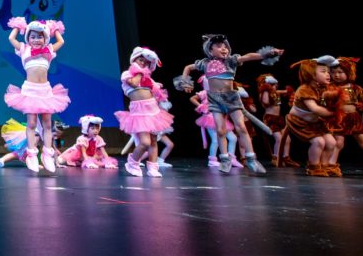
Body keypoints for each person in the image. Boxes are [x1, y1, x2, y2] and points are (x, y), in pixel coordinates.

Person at [175, 34, 283, 175]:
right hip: (214, 99)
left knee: (241, 127)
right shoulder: (205, 63)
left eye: (225, 46)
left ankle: (251, 159)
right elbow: (188, 68)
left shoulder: (231, 61)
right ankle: (225, 159)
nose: (224, 48)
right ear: (210, 50)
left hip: (231, 98)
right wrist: (185, 83)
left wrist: (268, 53)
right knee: (220, 130)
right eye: (219, 46)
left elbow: (248, 56)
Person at [4, 17, 69, 173]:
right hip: (30, 90)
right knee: (32, 123)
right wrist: (18, 26)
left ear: (45, 38)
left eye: (40, 36)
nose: (36, 40)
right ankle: (32, 154)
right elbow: (11, 38)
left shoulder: (49, 50)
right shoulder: (24, 49)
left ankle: (47, 154)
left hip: (45, 91)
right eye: (33, 36)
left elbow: (61, 41)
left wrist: (55, 29)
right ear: (28, 38)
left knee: (47, 124)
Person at [116, 46, 174, 177]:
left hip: (152, 110)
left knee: (153, 141)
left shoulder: (148, 78)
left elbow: (155, 92)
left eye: (146, 62)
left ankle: (153, 168)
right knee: (145, 142)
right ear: (134, 60)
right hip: (139, 112)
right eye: (141, 60)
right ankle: (132, 163)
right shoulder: (127, 74)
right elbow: (134, 83)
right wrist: (140, 72)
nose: (143, 63)